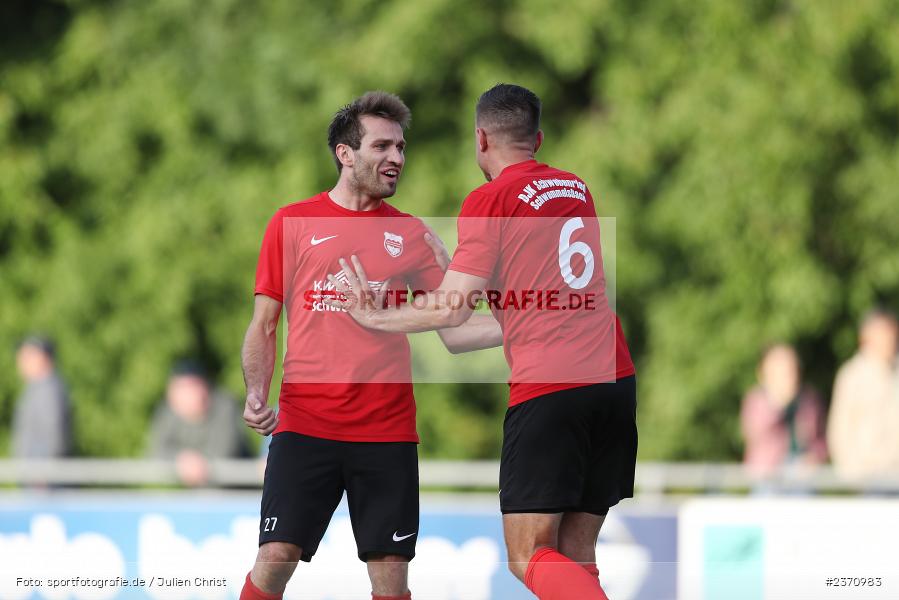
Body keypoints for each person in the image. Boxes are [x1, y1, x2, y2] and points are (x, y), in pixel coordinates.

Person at [330, 84, 635, 600]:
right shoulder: (575, 188)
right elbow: (534, 298)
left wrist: (375, 317)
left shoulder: (489, 198)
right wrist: (469, 274)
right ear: (536, 139)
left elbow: (452, 308)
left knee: (527, 555)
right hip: (613, 379)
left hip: (551, 388)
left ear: (481, 138)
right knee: (576, 556)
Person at [239, 91, 500, 600]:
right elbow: (264, 323)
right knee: (274, 559)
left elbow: (455, 329)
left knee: (390, 574)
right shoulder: (291, 223)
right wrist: (256, 392)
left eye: (401, 147)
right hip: (305, 424)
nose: (396, 158)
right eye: (382, 146)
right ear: (345, 153)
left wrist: (530, 326)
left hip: (386, 430)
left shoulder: (411, 234)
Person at [148, 360, 246, 487]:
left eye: (189, 387)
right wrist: (180, 459)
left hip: (237, 492)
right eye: (179, 388)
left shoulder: (224, 406)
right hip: (192, 496)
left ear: (203, 387)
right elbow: (157, 450)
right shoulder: (167, 412)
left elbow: (225, 451)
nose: (184, 395)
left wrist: (197, 463)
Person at [827, 309, 899, 480]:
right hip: (866, 477)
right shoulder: (851, 376)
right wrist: (852, 472)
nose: (889, 340)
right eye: (883, 334)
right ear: (866, 337)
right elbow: (840, 429)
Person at [740, 344, 827, 481]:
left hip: (803, 477)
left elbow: (820, 439)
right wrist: (779, 403)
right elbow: (755, 433)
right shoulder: (756, 401)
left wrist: (814, 458)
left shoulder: (809, 400)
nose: (788, 375)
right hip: (768, 476)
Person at [12, 335, 72, 460]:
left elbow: (54, 434)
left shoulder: (48, 389)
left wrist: (43, 469)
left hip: (43, 473)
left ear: (43, 358)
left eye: (27, 357)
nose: (21, 363)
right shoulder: (37, 388)